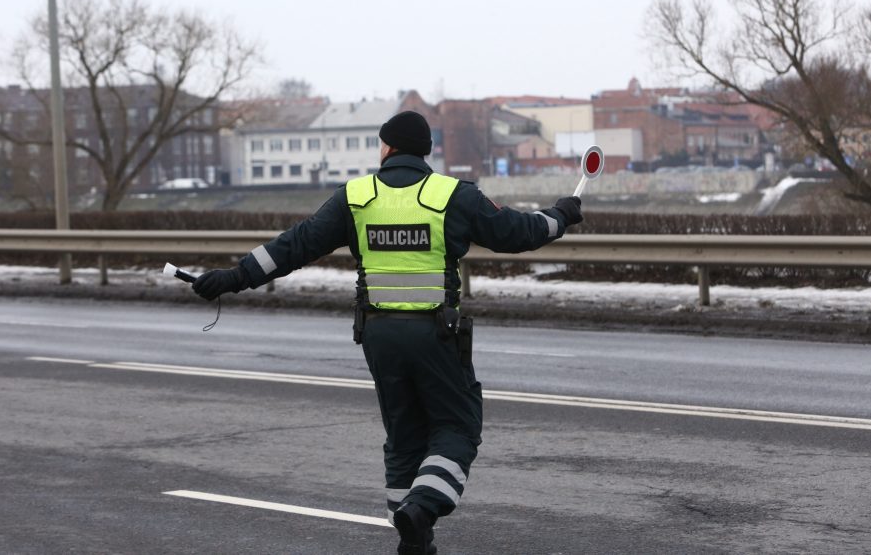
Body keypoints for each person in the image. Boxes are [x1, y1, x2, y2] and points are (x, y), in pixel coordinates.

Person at [192, 110, 584, 554]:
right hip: (435, 335)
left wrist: (233, 277)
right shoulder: (452, 194)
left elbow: (294, 245)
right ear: (425, 152)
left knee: (403, 435)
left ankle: (413, 538)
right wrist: (561, 215)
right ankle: (421, 509)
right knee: (457, 427)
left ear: (387, 148)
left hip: (378, 336)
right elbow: (519, 233)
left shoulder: (357, 196)